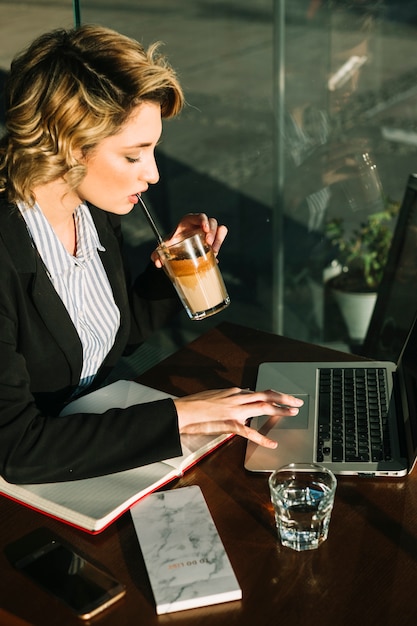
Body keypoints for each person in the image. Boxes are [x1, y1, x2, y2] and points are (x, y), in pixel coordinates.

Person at [0, 25, 303, 484]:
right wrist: (181, 414)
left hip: (92, 439)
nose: (154, 174)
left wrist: (169, 273)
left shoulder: (93, 214)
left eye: (153, 150)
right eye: (133, 156)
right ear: (67, 144)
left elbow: (113, 338)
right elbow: (18, 449)